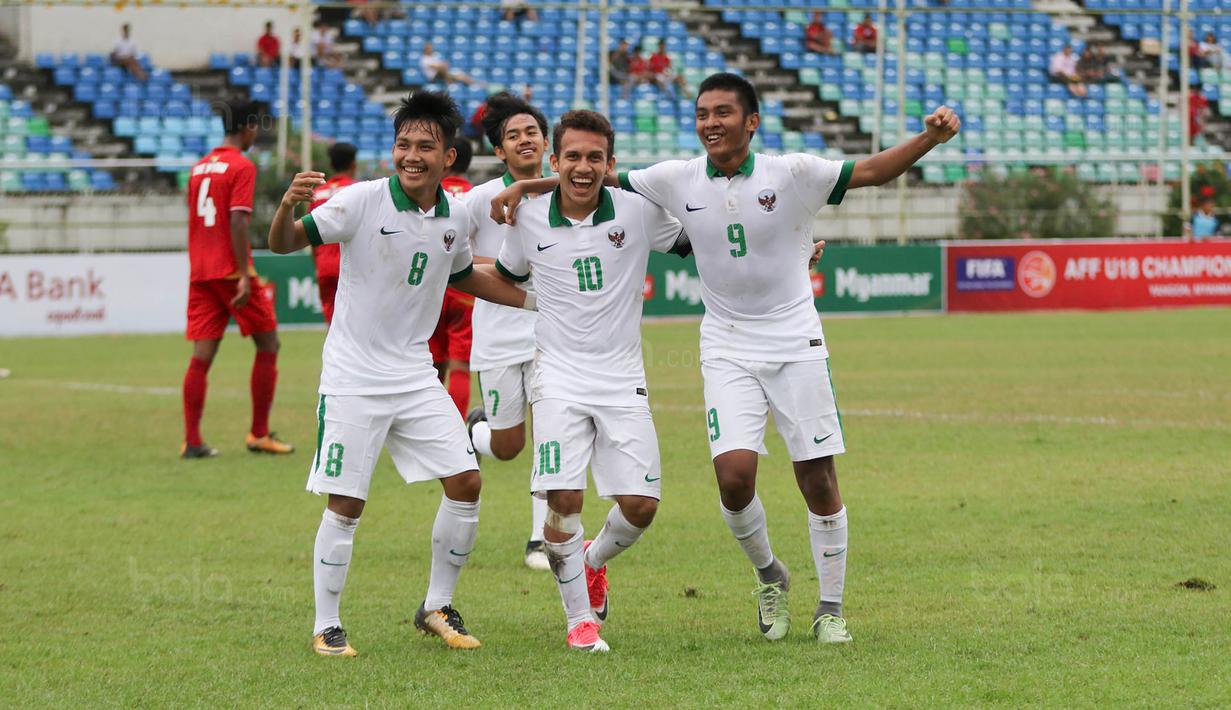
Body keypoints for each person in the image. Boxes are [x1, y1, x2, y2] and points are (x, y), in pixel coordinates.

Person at [493, 73, 959, 645]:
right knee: (734, 479)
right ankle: (770, 576)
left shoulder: (792, 173)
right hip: (726, 343)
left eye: (723, 113)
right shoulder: (675, 178)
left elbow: (870, 171)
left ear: (752, 121)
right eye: (702, 113)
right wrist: (524, 188)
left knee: (817, 477)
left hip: (795, 340)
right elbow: (592, 173)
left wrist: (928, 140)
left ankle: (831, 607)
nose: (710, 123)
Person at [268, 90, 535, 657]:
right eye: (403, 145)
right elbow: (286, 243)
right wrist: (287, 206)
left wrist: (536, 301)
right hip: (352, 377)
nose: (412, 155)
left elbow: (463, 274)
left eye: (425, 146)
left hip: (415, 375)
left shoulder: (454, 215)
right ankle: (326, 623)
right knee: (347, 502)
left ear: (449, 158)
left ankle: (436, 605)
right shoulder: (360, 201)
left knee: (466, 482)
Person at [491, 110, 696, 652]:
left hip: (623, 377)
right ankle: (580, 620)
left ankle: (591, 561)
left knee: (641, 507)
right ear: (555, 160)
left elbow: (705, 241)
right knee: (564, 494)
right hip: (555, 375)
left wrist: (795, 250)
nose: (583, 168)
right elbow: (507, 276)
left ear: (611, 164)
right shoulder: (528, 218)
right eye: (573, 157)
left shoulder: (639, 209)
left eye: (595, 158)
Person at [462, 92, 554, 571]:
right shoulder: (479, 200)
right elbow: (446, 248)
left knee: (551, 434)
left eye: (531, 133)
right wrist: (499, 268)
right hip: (498, 335)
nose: (524, 140)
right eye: (513, 135)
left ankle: (541, 538)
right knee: (507, 447)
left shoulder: (567, 191)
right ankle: (475, 431)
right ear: (499, 151)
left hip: (552, 335)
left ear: (545, 142)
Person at [181, 98, 294, 459]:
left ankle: (192, 441)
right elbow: (239, 220)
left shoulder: (199, 167)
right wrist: (245, 273)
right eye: (255, 126)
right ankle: (259, 433)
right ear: (247, 127)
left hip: (201, 272)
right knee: (269, 344)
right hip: (231, 271)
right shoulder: (241, 165)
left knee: (202, 355)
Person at [432, 138, 476, 414]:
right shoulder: (477, 196)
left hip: (431, 288)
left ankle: (424, 432)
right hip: (465, 290)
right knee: (460, 365)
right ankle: (456, 435)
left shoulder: (429, 193)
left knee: (431, 365)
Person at [307, 142, 359, 326]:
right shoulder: (359, 191)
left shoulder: (317, 193)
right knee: (357, 324)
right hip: (353, 267)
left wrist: (318, 265)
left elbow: (311, 235)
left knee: (333, 324)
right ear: (354, 164)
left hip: (325, 266)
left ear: (331, 165)